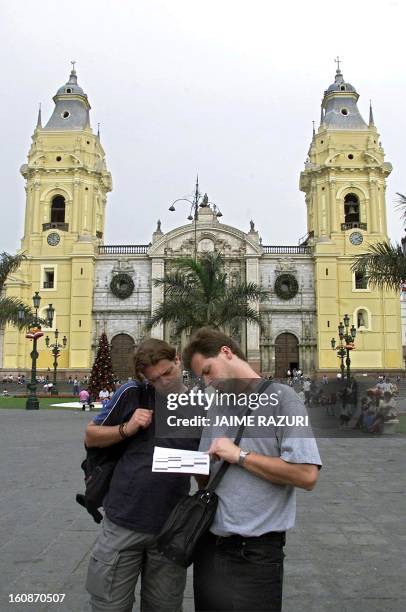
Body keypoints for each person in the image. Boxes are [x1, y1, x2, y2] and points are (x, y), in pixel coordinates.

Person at [182, 327, 321, 612]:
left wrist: (239, 455)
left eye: (208, 371)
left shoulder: (284, 400)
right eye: (202, 377)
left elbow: (306, 475)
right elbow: (207, 477)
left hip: (256, 554)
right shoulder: (218, 406)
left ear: (226, 352)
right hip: (210, 545)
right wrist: (187, 463)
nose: (208, 382)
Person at [85, 338, 199, 612]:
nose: (164, 382)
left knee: (165, 607)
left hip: (170, 529)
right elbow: (91, 436)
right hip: (123, 521)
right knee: (109, 605)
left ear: (178, 361)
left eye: (168, 373)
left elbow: (201, 466)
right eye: (155, 379)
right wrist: (127, 427)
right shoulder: (133, 393)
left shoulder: (199, 407)